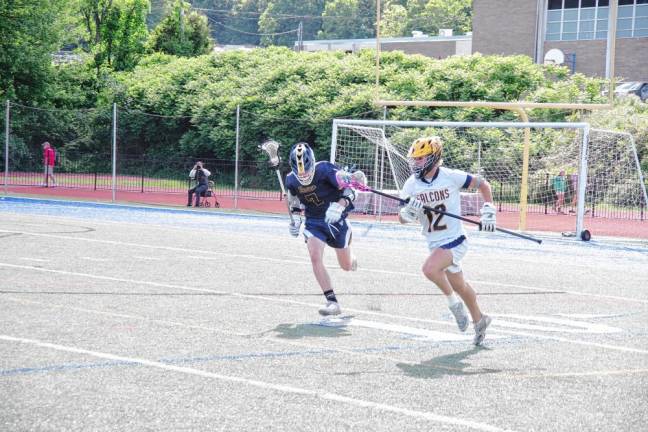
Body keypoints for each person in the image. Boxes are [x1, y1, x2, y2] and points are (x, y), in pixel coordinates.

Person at [398, 136, 495, 346]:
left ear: (433, 158)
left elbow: (483, 185)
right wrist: (408, 212)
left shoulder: (451, 176)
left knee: (430, 269)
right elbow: (402, 218)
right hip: (434, 243)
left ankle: (454, 306)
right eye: (414, 159)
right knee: (460, 285)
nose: (416, 163)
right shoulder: (411, 185)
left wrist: (488, 211)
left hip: (455, 240)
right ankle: (480, 320)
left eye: (421, 159)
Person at [285, 142, 359, 316]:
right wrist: (295, 218)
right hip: (314, 221)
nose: (303, 175)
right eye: (299, 172)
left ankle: (349, 250)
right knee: (314, 256)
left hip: (336, 219)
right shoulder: (290, 179)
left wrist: (341, 205)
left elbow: (352, 186)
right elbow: (292, 199)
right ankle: (332, 302)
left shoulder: (325, 169)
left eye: (306, 170)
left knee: (346, 266)